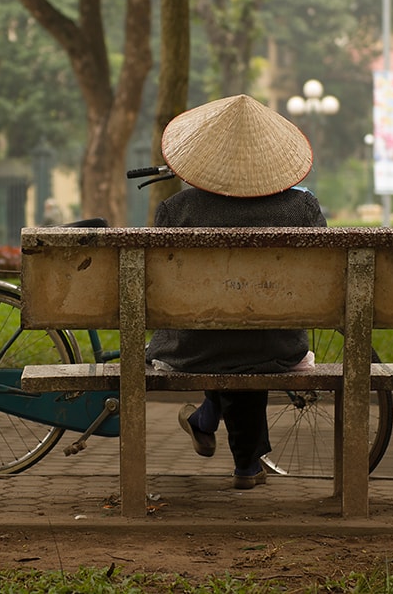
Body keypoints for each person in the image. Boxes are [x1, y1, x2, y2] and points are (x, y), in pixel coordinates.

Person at [144, 94, 325, 490]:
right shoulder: (302, 210)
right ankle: (240, 459)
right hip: (278, 346)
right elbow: (326, 278)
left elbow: (158, 288)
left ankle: (209, 421)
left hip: (194, 347)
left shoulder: (176, 210)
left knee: (222, 331)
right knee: (249, 335)